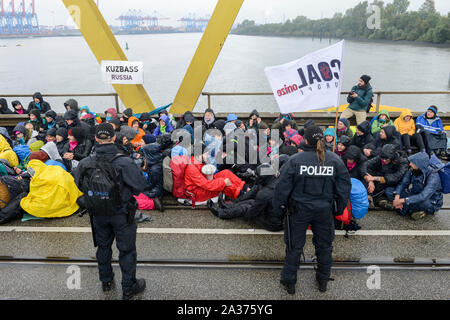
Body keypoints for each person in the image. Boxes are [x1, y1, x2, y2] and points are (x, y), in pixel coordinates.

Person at [273, 125, 351, 294]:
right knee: (324, 246)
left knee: (294, 246)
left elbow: (281, 188)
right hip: (324, 210)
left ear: (305, 140)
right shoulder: (334, 159)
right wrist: (339, 209)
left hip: (298, 211)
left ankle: (289, 281)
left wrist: (278, 209)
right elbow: (344, 186)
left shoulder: (295, 160)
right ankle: (323, 280)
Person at [73, 123, 148, 300]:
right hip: (122, 212)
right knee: (127, 250)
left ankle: (106, 281)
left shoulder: (85, 163)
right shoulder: (124, 161)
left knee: (103, 246)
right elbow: (140, 186)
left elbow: (78, 184)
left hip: (98, 212)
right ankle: (129, 288)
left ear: (96, 139)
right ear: (114, 138)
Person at [387, 152, 443, 220]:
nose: (410, 164)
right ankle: (409, 208)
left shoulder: (433, 175)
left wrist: (403, 200)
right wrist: (397, 196)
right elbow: (403, 183)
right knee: (389, 190)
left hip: (430, 200)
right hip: (415, 194)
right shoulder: (412, 170)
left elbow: (424, 196)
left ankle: (409, 209)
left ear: (420, 165)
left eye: (413, 163)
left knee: (423, 203)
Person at [360, 144, 408, 209]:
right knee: (368, 174)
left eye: (386, 159)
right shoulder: (382, 157)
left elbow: (396, 177)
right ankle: (369, 197)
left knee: (386, 190)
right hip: (382, 177)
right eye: (383, 159)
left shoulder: (402, 161)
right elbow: (365, 164)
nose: (384, 161)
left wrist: (374, 178)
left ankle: (378, 199)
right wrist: (370, 180)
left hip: (394, 183)